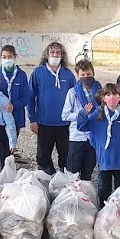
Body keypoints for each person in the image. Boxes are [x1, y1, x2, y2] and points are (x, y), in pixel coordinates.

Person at [76, 83, 120, 200]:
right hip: (104, 162)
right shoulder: (97, 115)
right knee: (104, 189)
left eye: (115, 94)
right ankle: (105, 213)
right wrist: (84, 114)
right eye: (108, 95)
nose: (111, 97)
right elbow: (81, 126)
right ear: (103, 98)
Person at [28, 41, 77, 174]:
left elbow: (76, 98)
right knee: (43, 156)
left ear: (62, 55)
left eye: (58, 53)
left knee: (66, 155)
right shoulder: (38, 73)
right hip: (44, 122)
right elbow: (30, 97)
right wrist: (33, 119)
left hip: (64, 123)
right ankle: (46, 179)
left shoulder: (68, 74)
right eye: (52, 52)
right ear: (47, 55)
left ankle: (64, 179)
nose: (55, 55)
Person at [62, 59, 102, 182]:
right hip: (77, 137)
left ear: (93, 73)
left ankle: (85, 196)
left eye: (88, 74)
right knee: (73, 170)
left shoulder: (100, 91)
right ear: (78, 76)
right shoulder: (73, 93)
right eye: (82, 75)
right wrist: (82, 114)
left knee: (88, 170)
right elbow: (64, 115)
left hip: (93, 136)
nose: (86, 77)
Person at [0, 45, 31, 147]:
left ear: (15, 57)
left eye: (9, 57)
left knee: (11, 144)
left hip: (16, 115)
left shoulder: (21, 75)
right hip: (0, 115)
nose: (7, 59)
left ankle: (9, 160)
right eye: (4, 57)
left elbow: (26, 97)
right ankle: (0, 162)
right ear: (0, 57)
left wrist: (13, 105)